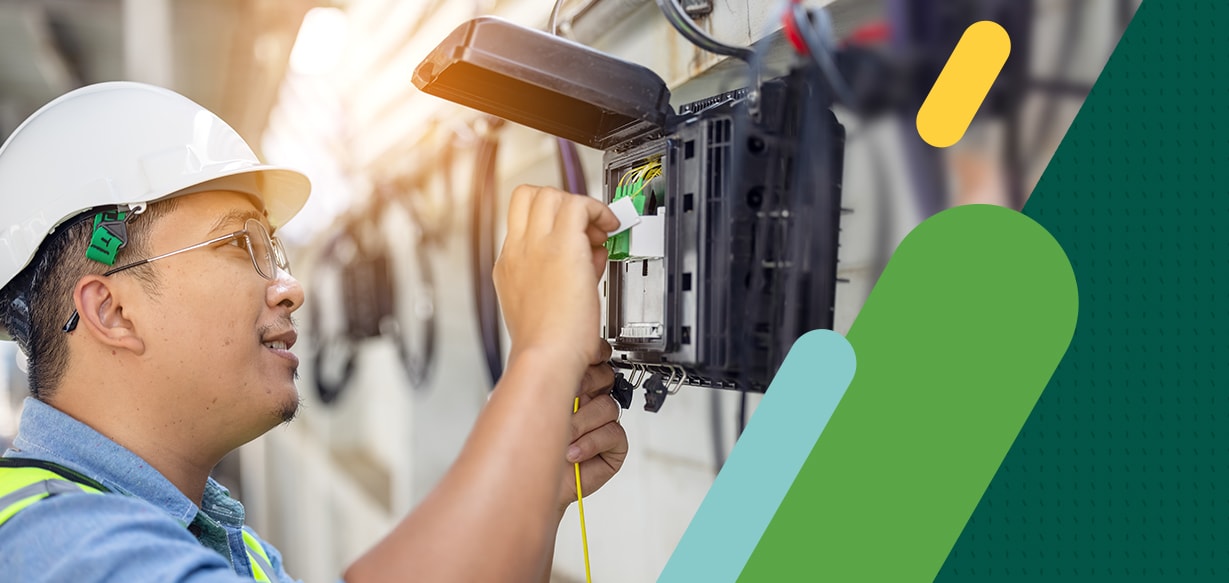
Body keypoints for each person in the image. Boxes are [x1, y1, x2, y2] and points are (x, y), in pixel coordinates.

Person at [0, 82, 628, 582]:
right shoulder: (57, 547)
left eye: (273, 249)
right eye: (240, 244)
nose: (289, 287)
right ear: (111, 312)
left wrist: (534, 487)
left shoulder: (225, 545)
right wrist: (543, 356)